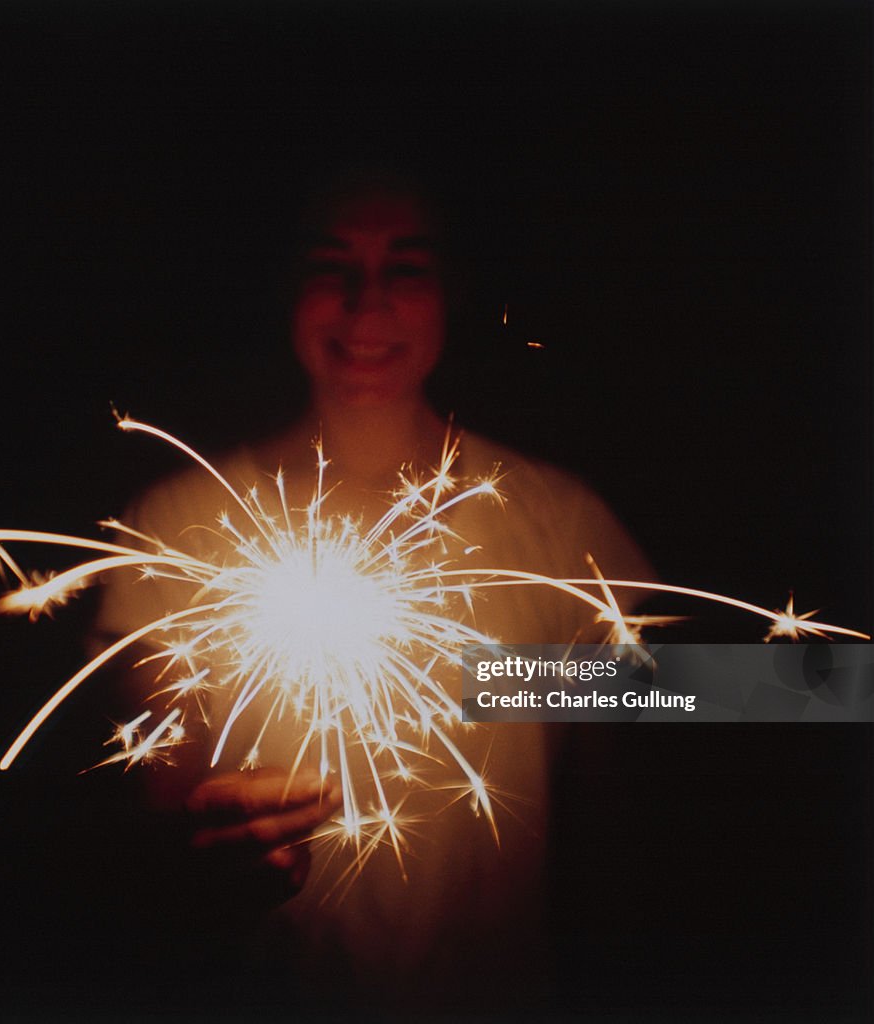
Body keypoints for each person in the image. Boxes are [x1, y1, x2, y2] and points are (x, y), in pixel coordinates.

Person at [93, 170, 654, 1013]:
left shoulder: (554, 524)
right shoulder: (179, 523)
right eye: (332, 267)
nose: (366, 305)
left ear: (450, 292)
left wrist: (496, 678)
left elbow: (652, 786)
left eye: (405, 268)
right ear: (288, 287)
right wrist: (200, 856)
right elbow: (146, 805)